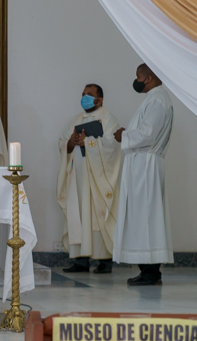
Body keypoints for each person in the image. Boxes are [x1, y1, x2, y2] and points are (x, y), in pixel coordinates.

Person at [113, 64, 174, 286]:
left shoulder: (158, 100)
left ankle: (151, 272)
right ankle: (147, 270)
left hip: (146, 166)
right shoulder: (154, 98)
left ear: (147, 78)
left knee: (147, 217)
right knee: (142, 217)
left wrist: (124, 135)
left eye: (138, 76)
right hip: (141, 164)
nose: (136, 80)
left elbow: (147, 134)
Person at [57, 84, 122, 274]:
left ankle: (104, 261)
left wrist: (89, 142)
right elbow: (62, 142)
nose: (84, 97)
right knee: (79, 213)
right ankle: (80, 261)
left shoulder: (109, 119)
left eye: (89, 95)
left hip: (98, 178)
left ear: (100, 100)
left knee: (97, 213)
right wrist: (71, 142)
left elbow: (112, 145)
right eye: (83, 94)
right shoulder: (76, 120)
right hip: (78, 175)